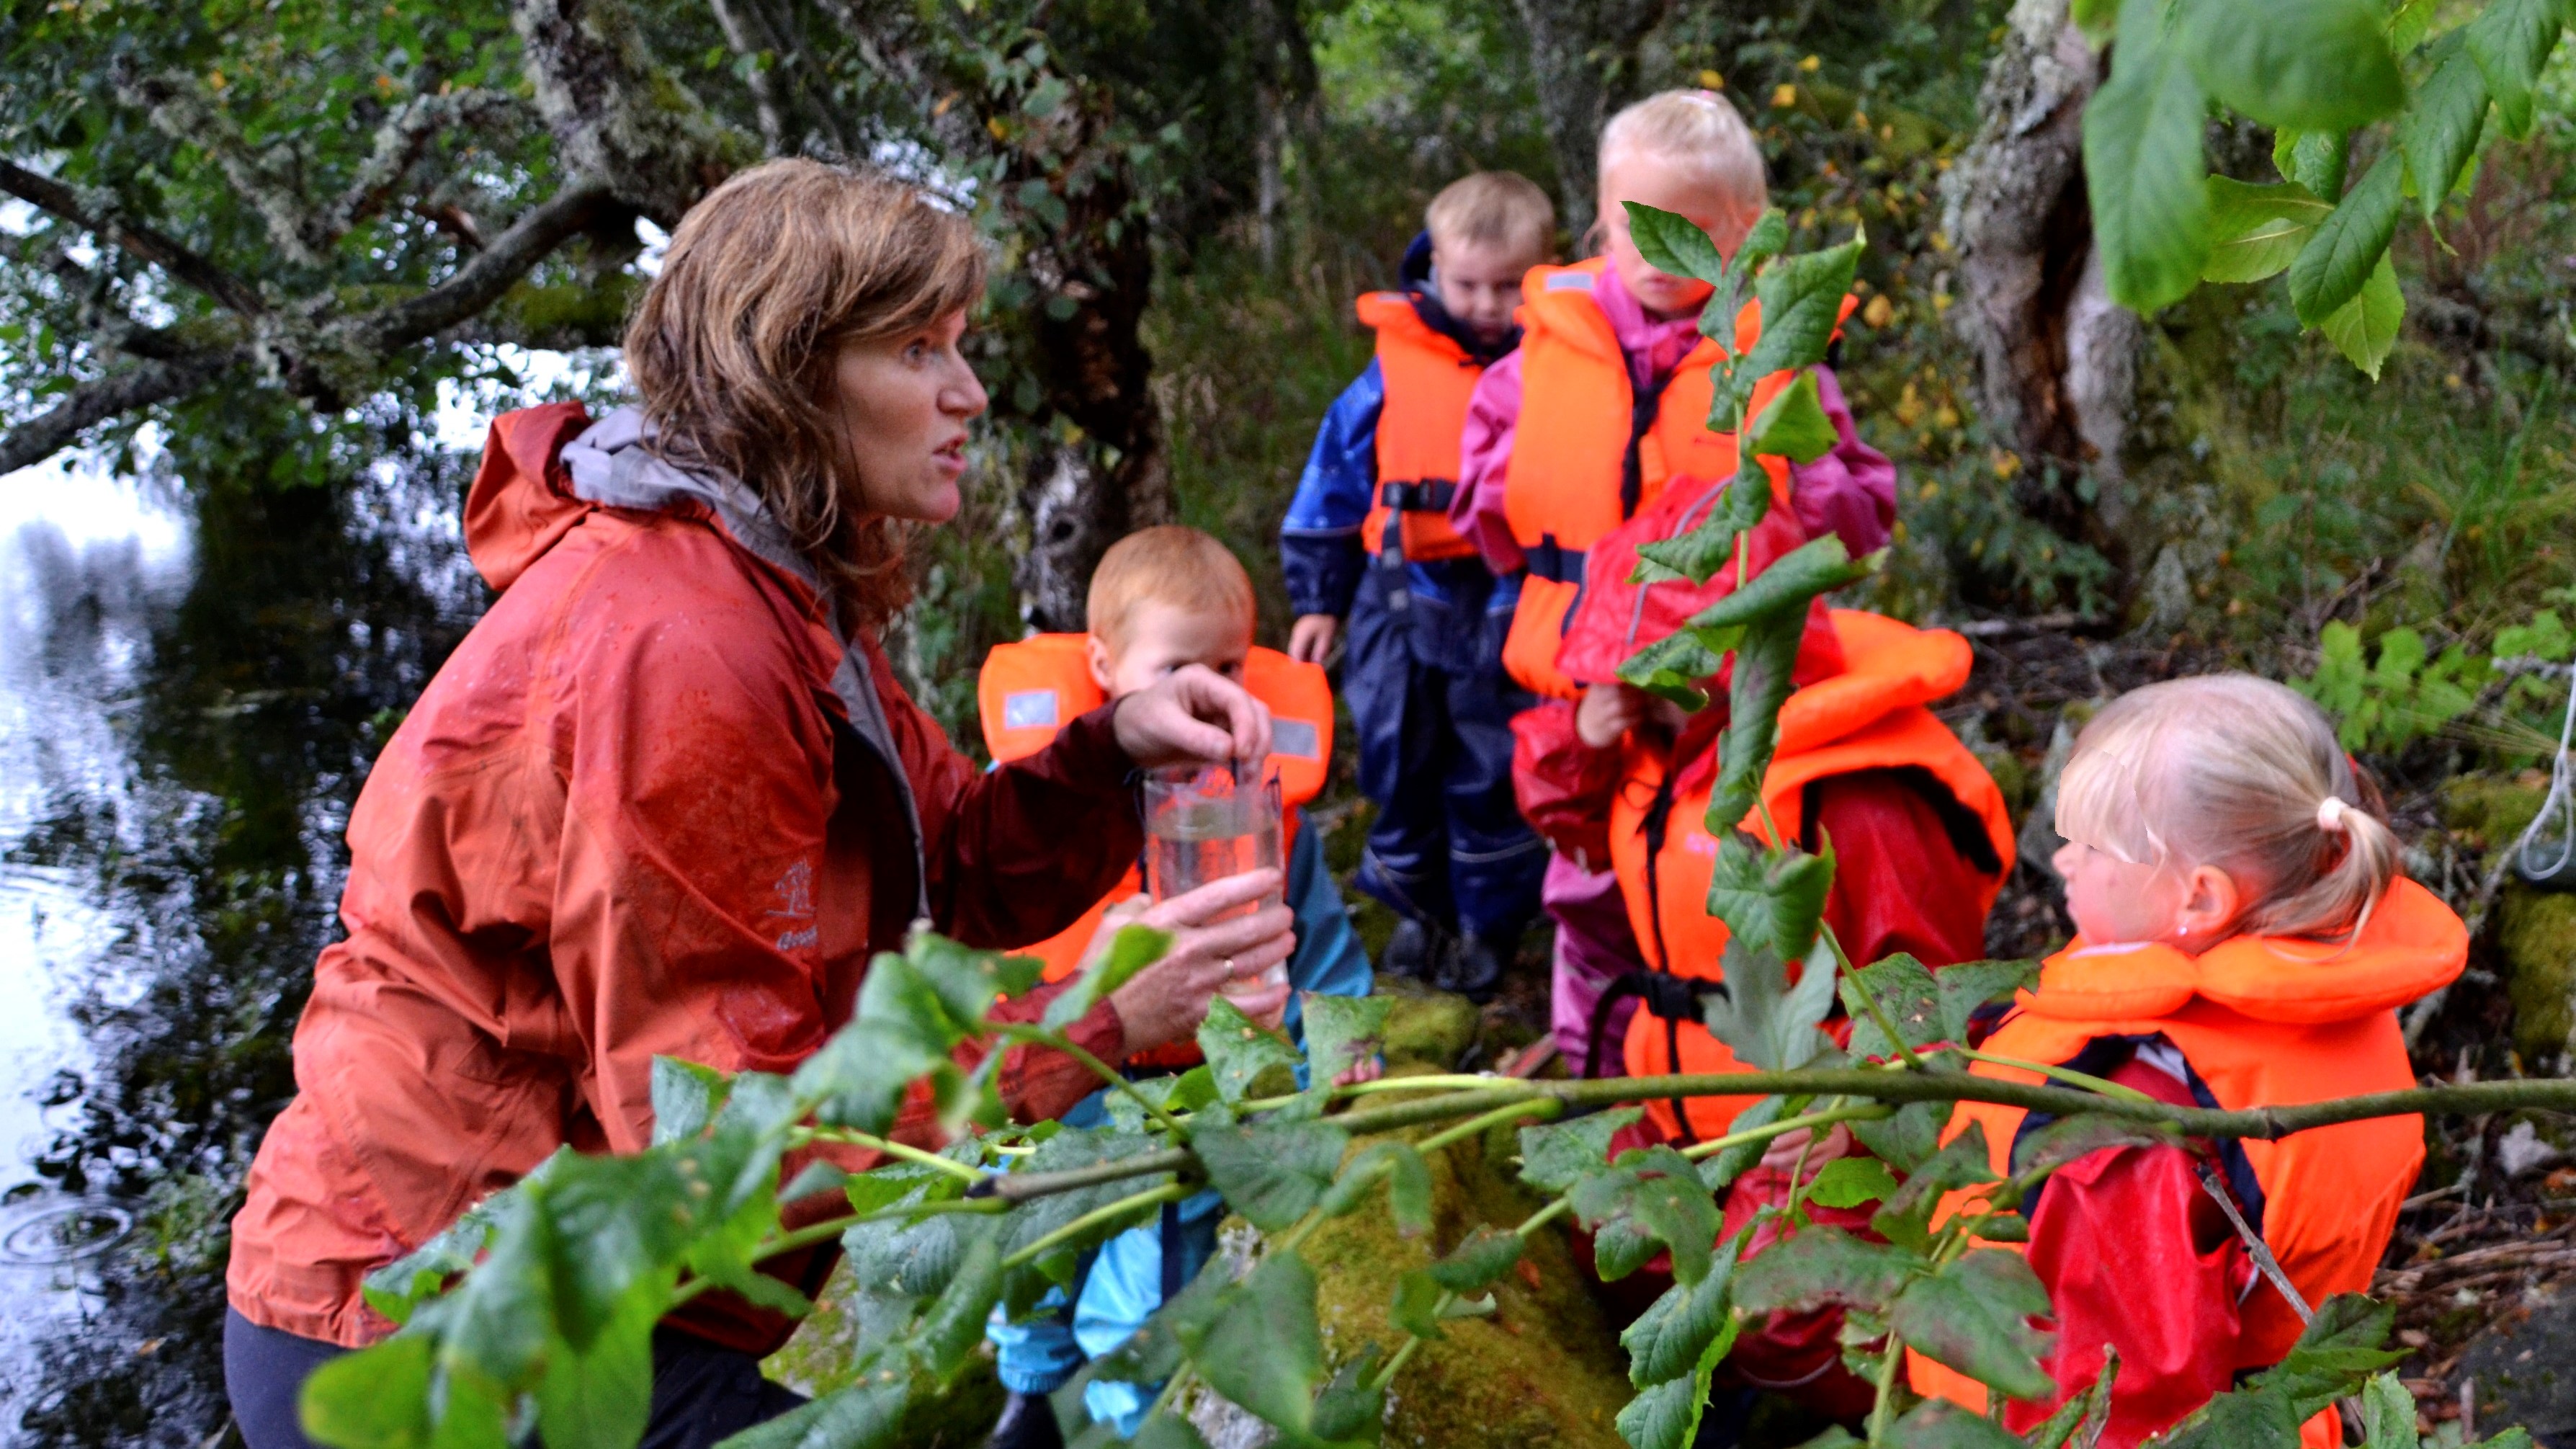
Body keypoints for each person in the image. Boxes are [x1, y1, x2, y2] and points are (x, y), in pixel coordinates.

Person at [219, 160, 1304, 1449]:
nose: (968, 394)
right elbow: (723, 1140)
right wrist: (1098, 1024)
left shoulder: (774, 583)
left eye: (959, 345)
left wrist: (1112, 748)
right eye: (917, 350)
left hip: (581, 1283)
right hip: (440, 1325)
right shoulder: (685, 642)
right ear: (786, 374)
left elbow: (952, 863)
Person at [1444, 89, 1895, 1064]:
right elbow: (1490, 503)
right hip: (1585, 682)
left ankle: (1742, 1087)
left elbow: (1859, 515)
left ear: (1743, 228)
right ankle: (1601, 1073)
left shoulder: (1780, 357)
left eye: (1685, 230)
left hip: (1723, 702)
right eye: (1630, 226)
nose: (1652, 254)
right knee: (1587, 884)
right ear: (1598, 218)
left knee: (1718, 891)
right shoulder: (1537, 357)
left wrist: (1798, 476)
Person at [1910, 676, 2465, 1449]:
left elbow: (2112, 1418)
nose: (2063, 862)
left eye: (2091, 845)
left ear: (2201, 898)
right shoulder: (2315, 979)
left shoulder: (2117, 1139)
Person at [975, 525, 1375, 1448]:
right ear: (1105, 666)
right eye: (1181, 667)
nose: (1218, 693)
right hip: (1050, 1097)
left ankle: (1129, 1422)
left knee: (1150, 1296)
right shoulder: (1025, 809)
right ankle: (1028, 1395)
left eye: (1234, 663)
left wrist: (1341, 1067)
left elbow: (1322, 965)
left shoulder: (1269, 815)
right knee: (1029, 1262)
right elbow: (974, 955)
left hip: (1193, 1104)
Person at [1279, 171, 1556, 1000]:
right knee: (1397, 755)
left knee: (1490, 763)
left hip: (1506, 595)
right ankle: (1414, 905)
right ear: (1432, 269)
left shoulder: (1559, 366)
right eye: (1467, 283)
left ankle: (1488, 922)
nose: (1485, 303)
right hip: (1395, 596)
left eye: (1510, 285)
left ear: (1544, 272)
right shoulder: (1390, 373)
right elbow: (1332, 480)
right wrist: (1318, 599)